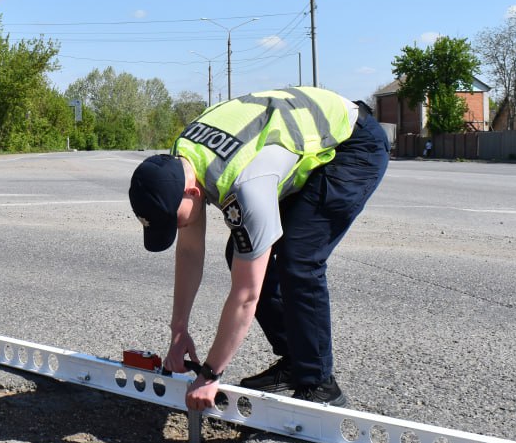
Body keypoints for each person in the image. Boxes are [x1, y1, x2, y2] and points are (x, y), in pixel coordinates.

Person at [128, 86, 389, 412]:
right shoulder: (181, 160)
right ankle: (296, 360)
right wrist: (178, 330)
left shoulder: (245, 184)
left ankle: (319, 385)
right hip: (286, 144)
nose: (178, 228)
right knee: (241, 251)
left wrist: (210, 374)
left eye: (174, 221)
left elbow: (246, 295)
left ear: (192, 193)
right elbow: (190, 251)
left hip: (352, 144)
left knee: (299, 257)